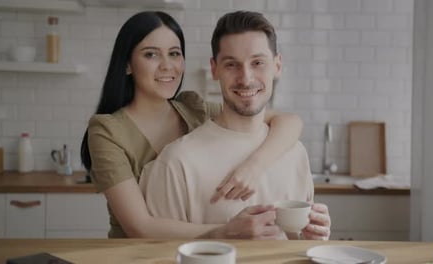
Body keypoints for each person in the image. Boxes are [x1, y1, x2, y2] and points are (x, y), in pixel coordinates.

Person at [80, 10, 306, 239]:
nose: (167, 65)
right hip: (131, 252)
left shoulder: (192, 108)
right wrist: (227, 231)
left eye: (175, 53)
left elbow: (288, 121)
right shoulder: (107, 131)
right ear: (127, 64)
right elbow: (140, 227)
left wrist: (254, 166)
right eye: (151, 55)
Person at [141, 10, 331, 240]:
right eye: (232, 64)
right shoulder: (177, 162)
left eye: (258, 62)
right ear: (214, 69)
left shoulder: (295, 153)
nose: (246, 78)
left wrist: (312, 239)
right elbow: (154, 255)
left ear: (277, 65)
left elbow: (295, 245)